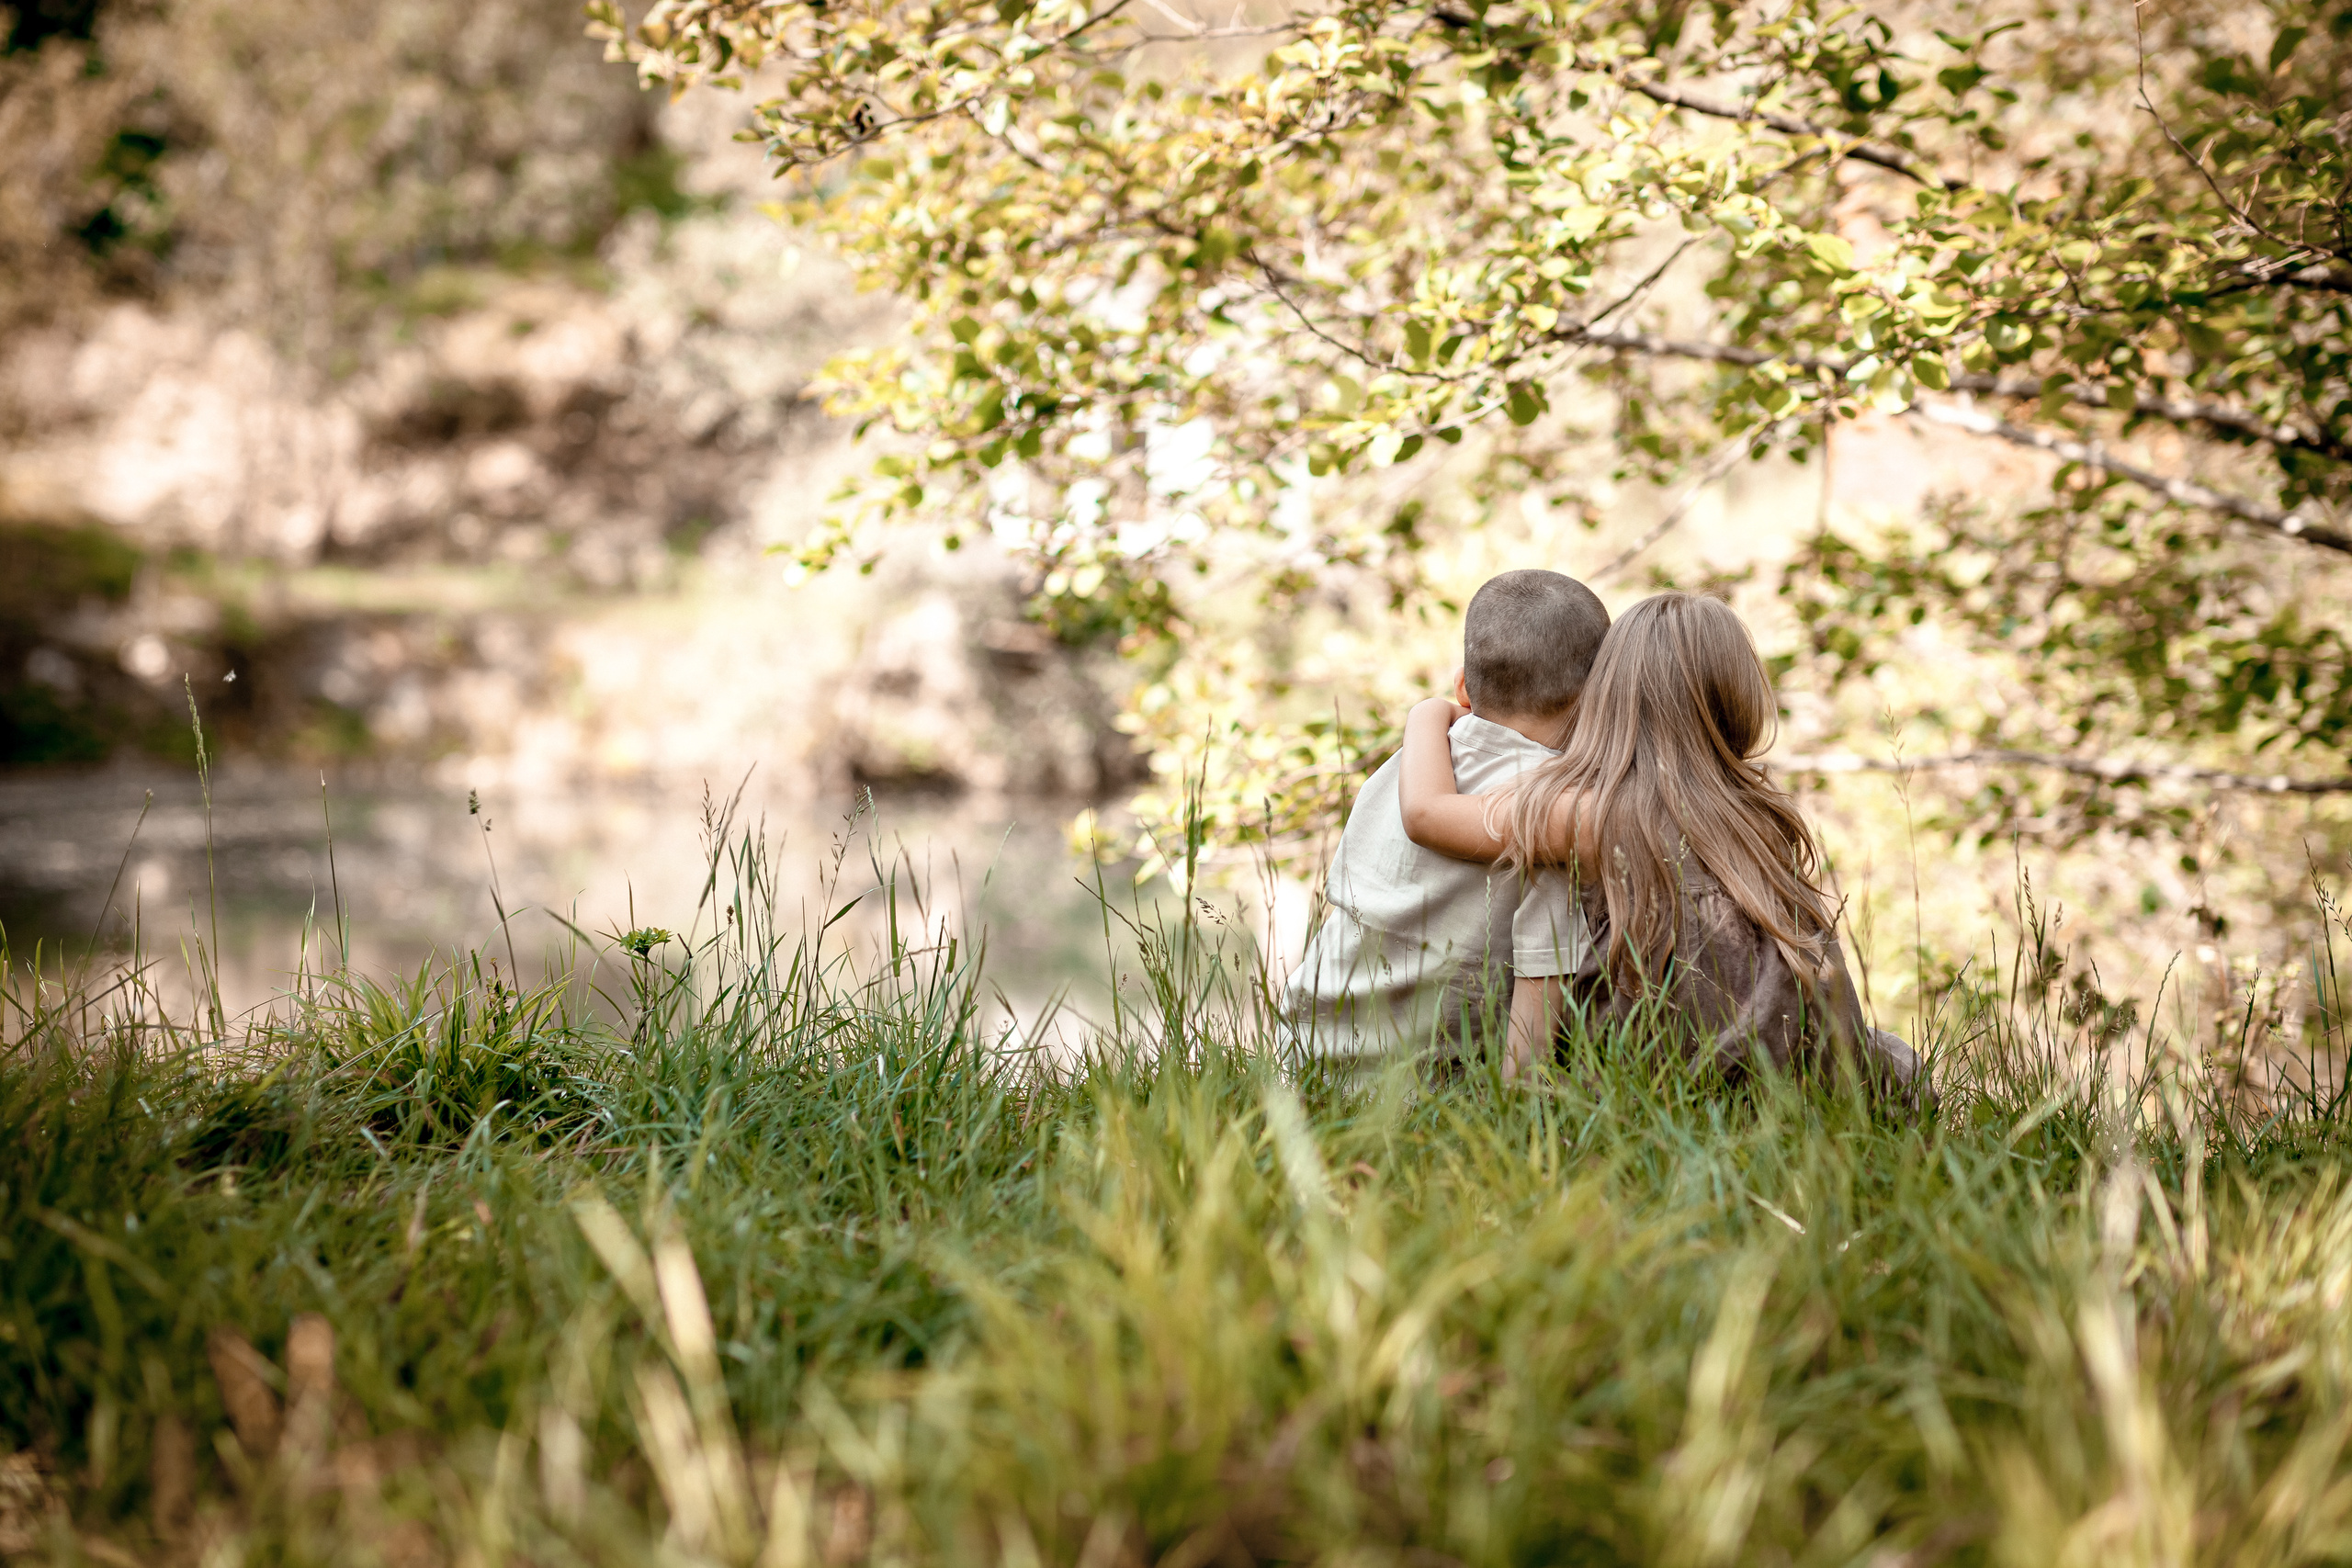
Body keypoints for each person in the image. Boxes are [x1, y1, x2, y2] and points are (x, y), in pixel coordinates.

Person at [1395, 591, 1926, 1101]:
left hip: (1673, 1069)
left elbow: (1428, 812)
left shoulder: (1588, 814)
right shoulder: (1755, 814)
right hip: (1799, 1063)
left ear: (1604, 698)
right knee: (1893, 1058)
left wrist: (1427, 714)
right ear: (1741, 704)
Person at [1282, 569, 1610, 1068]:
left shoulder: (1407, 766)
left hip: (1302, 1052)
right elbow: (1538, 1008)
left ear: (1463, 687)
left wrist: (1426, 711)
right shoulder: (1557, 816)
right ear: (1599, 701)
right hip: (1419, 1088)